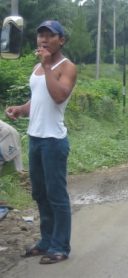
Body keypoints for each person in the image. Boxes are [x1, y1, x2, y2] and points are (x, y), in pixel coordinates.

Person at [5, 20, 77, 264]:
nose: (44, 40)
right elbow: (38, 100)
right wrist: (20, 109)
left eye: (50, 35)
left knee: (56, 195)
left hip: (54, 141)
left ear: (61, 40)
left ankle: (60, 247)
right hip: (35, 139)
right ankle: (46, 241)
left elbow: (58, 96)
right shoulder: (38, 67)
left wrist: (47, 67)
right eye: (40, 35)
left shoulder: (66, 67)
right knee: (40, 194)